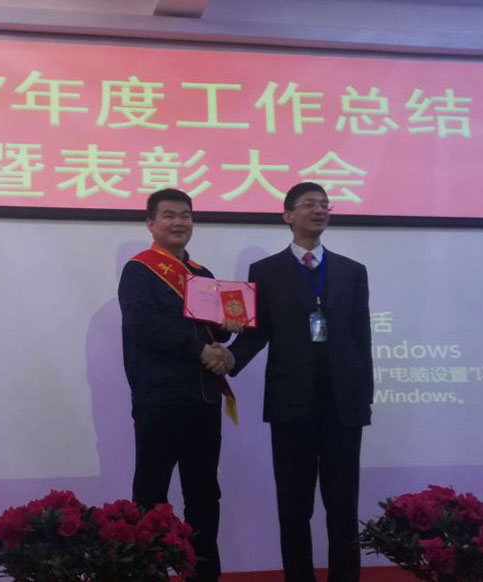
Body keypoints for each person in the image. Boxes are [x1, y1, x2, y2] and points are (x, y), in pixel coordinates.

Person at [223, 182, 373, 582]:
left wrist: (365, 397)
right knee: (294, 506)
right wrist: (230, 359)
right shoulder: (265, 272)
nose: (319, 210)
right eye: (309, 204)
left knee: (343, 504)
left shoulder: (352, 271)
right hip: (291, 404)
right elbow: (257, 332)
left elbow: (362, 337)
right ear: (288, 215)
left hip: (343, 405)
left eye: (325, 205)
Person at [118, 188, 235, 582]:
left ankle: (203, 573)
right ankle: (147, 574)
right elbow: (146, 326)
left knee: (204, 494)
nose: (179, 222)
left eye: (185, 215)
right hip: (160, 399)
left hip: (203, 400)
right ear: (151, 224)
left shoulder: (203, 274)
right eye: (169, 215)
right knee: (151, 494)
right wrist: (200, 350)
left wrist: (228, 329)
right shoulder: (139, 271)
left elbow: (211, 328)